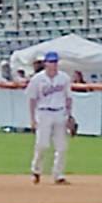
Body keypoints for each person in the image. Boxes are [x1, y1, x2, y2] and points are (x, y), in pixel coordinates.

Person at [27, 51, 73, 186]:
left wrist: (70, 115)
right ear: (45, 63)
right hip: (43, 113)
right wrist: (32, 119)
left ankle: (58, 175)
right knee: (42, 145)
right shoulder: (37, 79)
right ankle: (36, 170)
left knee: (62, 147)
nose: (53, 64)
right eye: (51, 62)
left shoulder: (64, 78)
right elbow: (32, 99)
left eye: (55, 62)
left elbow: (68, 97)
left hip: (60, 112)